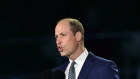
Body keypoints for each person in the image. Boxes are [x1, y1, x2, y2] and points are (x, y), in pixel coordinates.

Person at [52, 18, 120, 79]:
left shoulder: (104, 68)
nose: (58, 41)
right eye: (56, 37)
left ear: (78, 36)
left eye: (63, 35)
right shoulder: (56, 73)